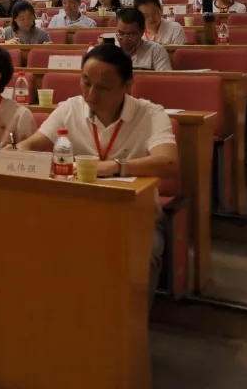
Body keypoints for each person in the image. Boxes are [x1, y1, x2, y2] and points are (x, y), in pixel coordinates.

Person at [12, 43, 177, 309]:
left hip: (134, 214)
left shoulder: (150, 114)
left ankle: (131, 330)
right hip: (74, 211)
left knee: (141, 256)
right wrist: (16, 151)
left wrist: (115, 166)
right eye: (86, 82)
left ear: (128, 86)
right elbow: (33, 144)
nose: (90, 94)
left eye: (103, 87)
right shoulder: (70, 108)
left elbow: (168, 162)